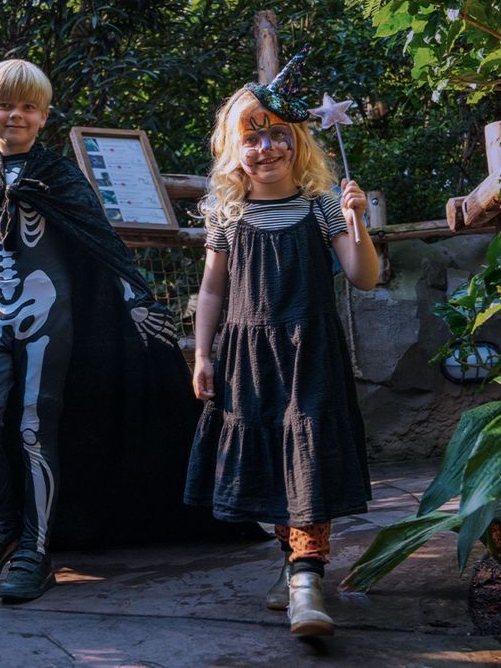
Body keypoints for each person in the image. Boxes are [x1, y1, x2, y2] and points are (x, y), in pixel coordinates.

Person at [0, 59, 244, 604]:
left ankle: (36, 550)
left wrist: (136, 299)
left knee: (32, 425)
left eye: (27, 108)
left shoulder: (60, 178)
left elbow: (99, 246)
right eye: (5, 106)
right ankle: (2, 524)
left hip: (48, 314)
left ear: (43, 118)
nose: (15, 115)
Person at [184, 60, 379, 638]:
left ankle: (305, 580)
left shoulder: (322, 206)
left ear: (298, 144)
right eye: (252, 137)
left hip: (309, 351)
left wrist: (357, 222)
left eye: (278, 136)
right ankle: (294, 566)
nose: (266, 148)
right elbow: (213, 289)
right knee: (269, 458)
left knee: (308, 456)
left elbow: (363, 277)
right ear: (233, 147)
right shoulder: (228, 214)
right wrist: (202, 355)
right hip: (248, 357)